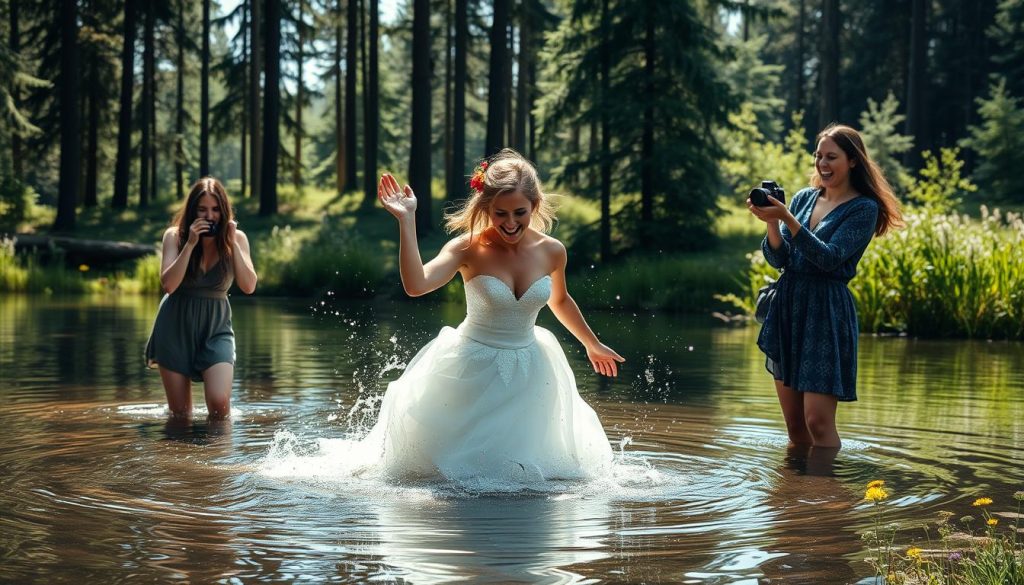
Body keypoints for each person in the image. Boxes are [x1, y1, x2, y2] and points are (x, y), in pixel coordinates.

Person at [366, 148, 624, 482]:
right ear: (486, 208)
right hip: (472, 366)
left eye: (520, 212)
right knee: (454, 476)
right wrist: (407, 220)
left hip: (531, 367)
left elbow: (559, 301)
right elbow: (416, 286)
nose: (510, 222)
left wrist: (592, 344)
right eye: (500, 213)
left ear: (534, 205)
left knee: (528, 473)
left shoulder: (552, 251)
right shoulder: (467, 248)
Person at [747, 124, 901, 448]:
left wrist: (788, 218)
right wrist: (773, 222)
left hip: (825, 313)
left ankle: (827, 494)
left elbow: (829, 258)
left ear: (853, 161)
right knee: (794, 428)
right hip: (789, 306)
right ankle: (796, 495)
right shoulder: (805, 197)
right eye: (819, 156)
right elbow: (780, 259)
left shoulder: (864, 209)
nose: (823, 164)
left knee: (817, 422)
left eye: (832, 157)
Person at [145, 177, 258, 420]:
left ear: (224, 211)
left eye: (216, 209)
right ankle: (180, 458)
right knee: (180, 414)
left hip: (216, 327)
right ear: (192, 210)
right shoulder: (174, 237)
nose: (210, 216)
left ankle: (218, 456)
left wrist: (232, 244)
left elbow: (249, 286)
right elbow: (169, 285)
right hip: (175, 326)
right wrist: (191, 245)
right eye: (203, 209)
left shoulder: (238, 239)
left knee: (219, 405)